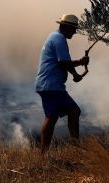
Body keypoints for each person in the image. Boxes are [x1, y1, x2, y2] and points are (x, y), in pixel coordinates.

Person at [35, 14, 89, 154]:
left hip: (48, 85)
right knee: (72, 111)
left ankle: (44, 153)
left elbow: (63, 62)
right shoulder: (59, 39)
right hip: (51, 85)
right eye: (73, 29)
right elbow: (64, 63)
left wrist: (80, 62)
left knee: (53, 117)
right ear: (65, 27)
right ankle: (75, 147)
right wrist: (76, 74)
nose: (75, 32)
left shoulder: (54, 36)